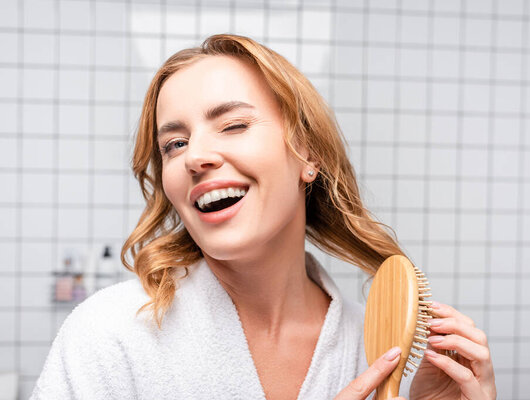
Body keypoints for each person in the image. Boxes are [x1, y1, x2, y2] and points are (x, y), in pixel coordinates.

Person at [31, 34, 496, 400]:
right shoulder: (109, 334)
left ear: (306, 153)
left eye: (233, 125)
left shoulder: (370, 346)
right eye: (174, 144)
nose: (196, 156)